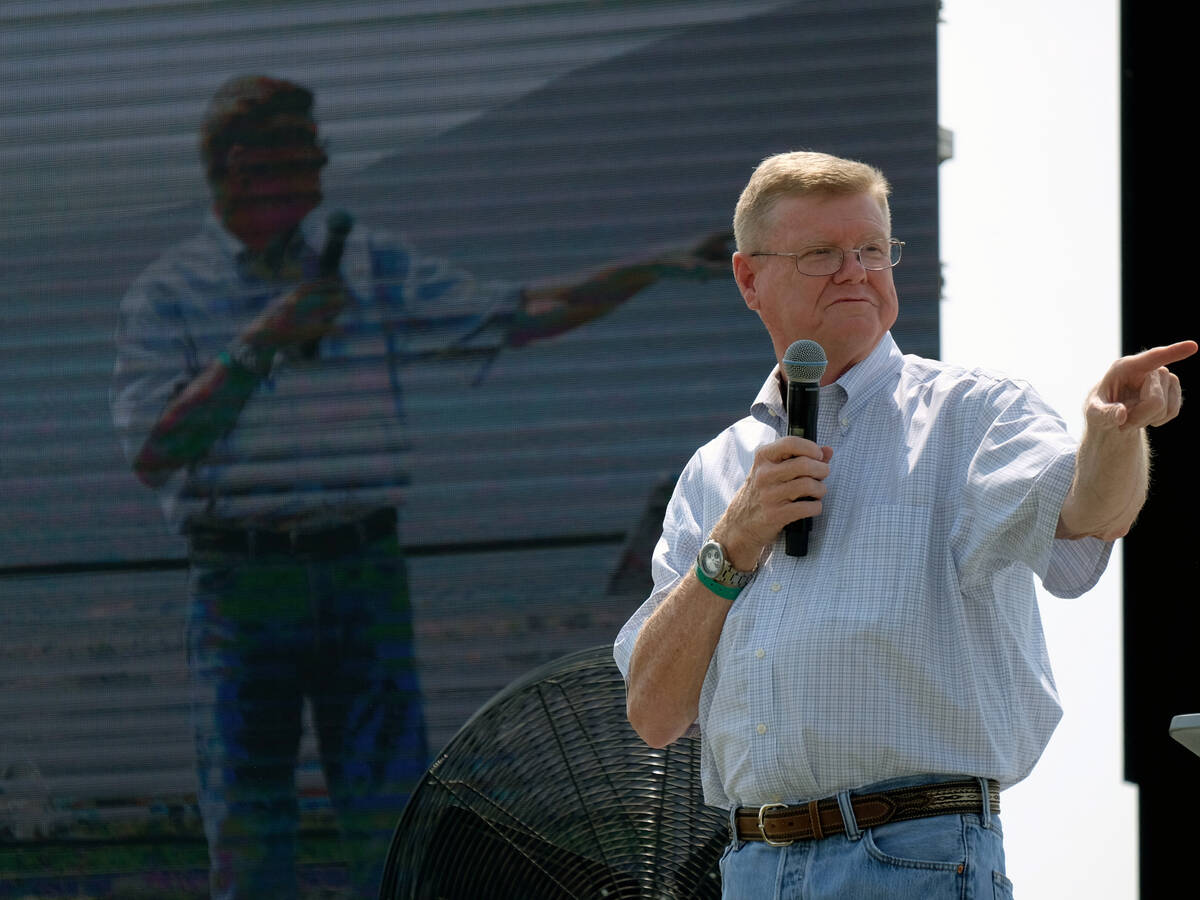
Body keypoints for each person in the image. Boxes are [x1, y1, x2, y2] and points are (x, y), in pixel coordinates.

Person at [110, 74, 728, 900]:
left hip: (361, 567)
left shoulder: (363, 262)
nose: (322, 172)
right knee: (248, 823)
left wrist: (654, 265)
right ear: (244, 164)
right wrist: (261, 343)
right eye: (305, 153)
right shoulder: (170, 293)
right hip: (240, 583)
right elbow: (154, 449)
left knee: (390, 813)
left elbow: (518, 311)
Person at [614, 150, 1194, 899]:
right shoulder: (714, 473)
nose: (855, 271)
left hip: (915, 857)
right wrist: (734, 543)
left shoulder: (974, 415)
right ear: (748, 279)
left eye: (872, 250)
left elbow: (1092, 513)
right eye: (822, 254)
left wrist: (1114, 433)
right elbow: (654, 714)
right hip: (751, 866)